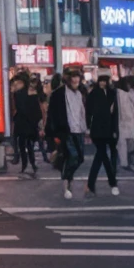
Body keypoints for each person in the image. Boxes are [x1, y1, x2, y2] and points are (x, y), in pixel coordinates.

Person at [46, 66, 86, 200]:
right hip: (66, 131)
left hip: (79, 130)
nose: (75, 80)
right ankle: (66, 183)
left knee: (80, 158)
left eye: (77, 77)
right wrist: (52, 137)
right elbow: (51, 115)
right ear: (67, 79)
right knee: (72, 156)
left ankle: (68, 178)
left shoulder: (80, 93)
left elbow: (82, 112)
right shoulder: (58, 94)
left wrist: (86, 129)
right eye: (73, 77)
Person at [84, 71, 120, 197]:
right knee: (102, 156)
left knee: (101, 157)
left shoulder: (112, 94)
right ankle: (112, 183)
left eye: (105, 80)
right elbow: (88, 111)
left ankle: (92, 184)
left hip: (108, 130)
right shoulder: (94, 94)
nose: (103, 83)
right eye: (101, 80)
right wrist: (87, 127)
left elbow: (115, 113)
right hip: (97, 130)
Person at [14, 76, 43, 177]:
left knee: (27, 145)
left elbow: (37, 110)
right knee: (24, 145)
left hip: (28, 123)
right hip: (25, 123)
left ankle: (29, 165)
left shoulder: (24, 94)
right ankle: (28, 165)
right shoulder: (20, 93)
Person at [115, 77, 134, 171]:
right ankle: (124, 163)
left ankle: (127, 160)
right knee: (122, 144)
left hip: (131, 122)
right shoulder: (118, 93)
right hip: (122, 122)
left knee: (130, 143)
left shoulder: (131, 93)